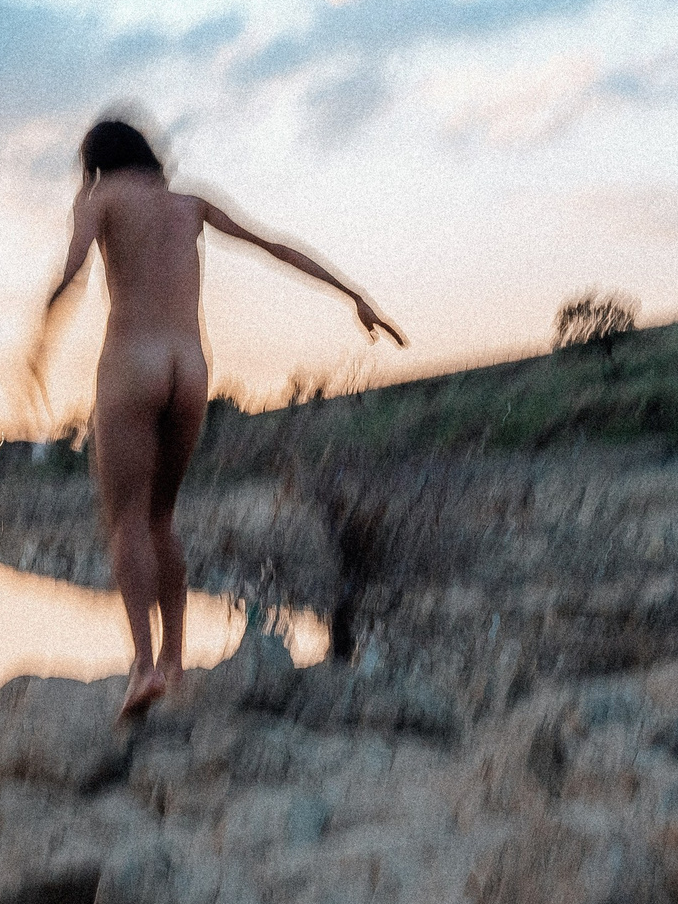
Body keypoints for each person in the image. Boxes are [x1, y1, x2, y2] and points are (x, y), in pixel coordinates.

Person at [27, 110, 405, 721]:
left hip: (132, 366)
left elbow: (72, 271)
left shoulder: (101, 198)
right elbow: (274, 247)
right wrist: (354, 296)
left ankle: (144, 667)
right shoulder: (189, 205)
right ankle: (175, 662)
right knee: (161, 517)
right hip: (191, 370)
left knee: (126, 521)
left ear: (95, 163)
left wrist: (38, 345)